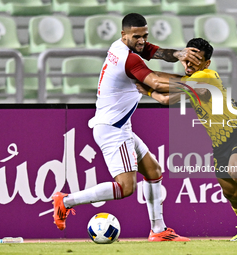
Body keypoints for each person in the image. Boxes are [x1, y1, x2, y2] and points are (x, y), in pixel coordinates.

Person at [52, 13, 202, 242]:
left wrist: (180, 55)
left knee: (153, 172)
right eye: (137, 36)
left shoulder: (123, 47)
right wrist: (191, 82)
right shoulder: (128, 59)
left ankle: (158, 230)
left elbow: (156, 53)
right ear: (124, 35)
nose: (142, 41)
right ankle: (66, 200)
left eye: (145, 36)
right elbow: (156, 82)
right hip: (113, 129)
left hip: (119, 127)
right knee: (125, 188)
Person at [136, 38, 237, 241]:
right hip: (220, 145)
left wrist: (142, 77)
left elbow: (162, 84)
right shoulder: (191, 82)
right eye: (187, 58)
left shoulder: (206, 76)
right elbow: (166, 98)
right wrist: (146, 89)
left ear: (207, 63)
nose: (189, 63)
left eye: (195, 59)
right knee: (230, 193)